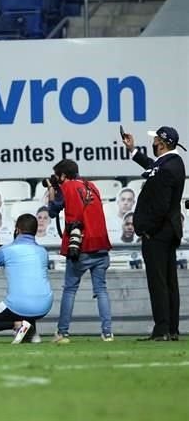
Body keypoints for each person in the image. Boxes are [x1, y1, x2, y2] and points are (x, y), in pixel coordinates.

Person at [123, 126, 186, 341]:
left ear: (162, 143)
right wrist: (133, 151)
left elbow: (160, 205)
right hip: (167, 230)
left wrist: (146, 230)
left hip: (158, 233)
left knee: (158, 282)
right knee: (168, 282)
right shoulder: (170, 163)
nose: (154, 142)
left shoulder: (168, 167)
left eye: (156, 139)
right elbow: (153, 167)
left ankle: (162, 329)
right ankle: (171, 329)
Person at [46, 159, 113, 343]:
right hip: (101, 245)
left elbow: (52, 211)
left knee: (70, 290)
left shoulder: (66, 188)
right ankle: (107, 333)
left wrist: (52, 190)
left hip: (80, 247)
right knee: (101, 290)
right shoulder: (92, 186)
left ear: (63, 176)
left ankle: (62, 333)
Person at [0, 214, 53, 344]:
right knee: (30, 292)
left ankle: (18, 325)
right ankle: (31, 332)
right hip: (45, 305)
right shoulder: (43, 252)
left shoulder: (6, 250)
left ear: (17, 230)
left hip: (18, 305)